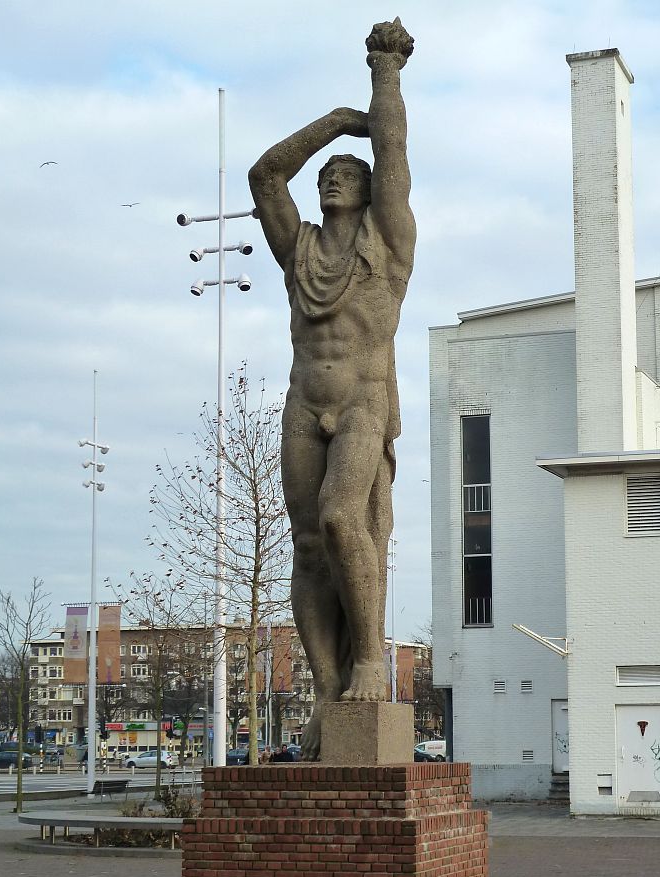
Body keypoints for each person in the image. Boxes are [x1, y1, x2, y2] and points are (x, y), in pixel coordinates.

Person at [249, 19, 416, 762]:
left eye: (347, 170)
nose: (332, 177)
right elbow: (265, 176)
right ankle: (326, 687)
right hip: (300, 402)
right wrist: (331, 125)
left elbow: (395, 150)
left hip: (362, 402)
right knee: (311, 547)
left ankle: (371, 660)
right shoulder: (301, 247)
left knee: (346, 519)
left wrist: (383, 77)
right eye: (327, 175)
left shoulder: (390, 237)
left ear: (372, 189)